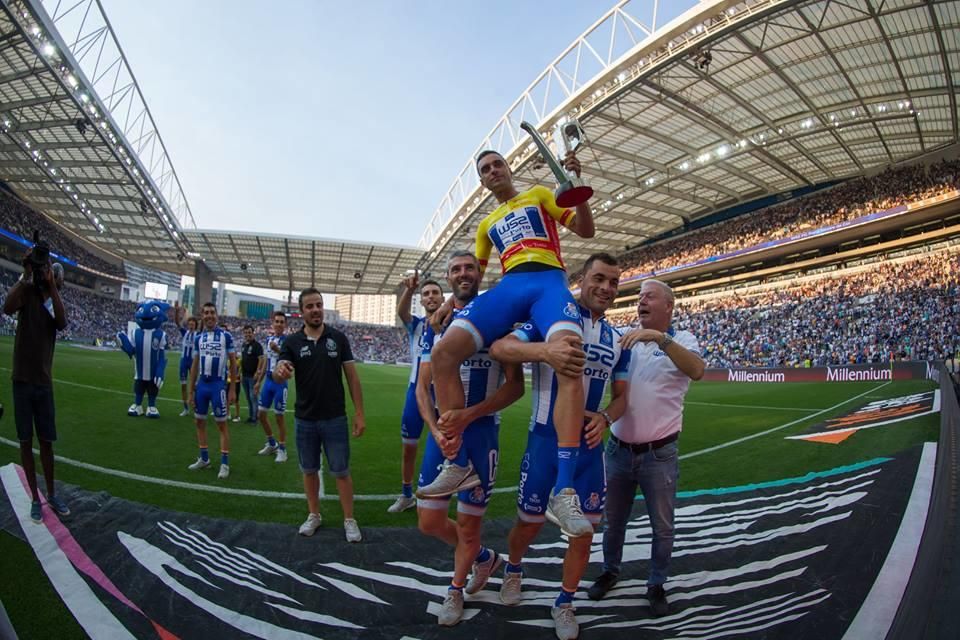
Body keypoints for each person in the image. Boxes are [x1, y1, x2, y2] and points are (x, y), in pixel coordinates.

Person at [422, 148, 596, 537]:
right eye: (485, 169)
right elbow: (473, 280)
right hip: (510, 287)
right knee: (443, 352)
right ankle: (459, 462)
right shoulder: (486, 225)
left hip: (550, 283)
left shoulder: (538, 194)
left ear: (508, 168)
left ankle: (563, 490)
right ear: (482, 181)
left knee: (569, 358)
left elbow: (586, 230)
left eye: (497, 164)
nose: (493, 171)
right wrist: (450, 304)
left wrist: (577, 188)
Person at [489, 253, 630, 639]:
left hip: (589, 452)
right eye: (599, 278)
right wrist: (543, 351)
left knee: (585, 533)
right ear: (581, 280)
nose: (605, 287)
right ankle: (513, 569)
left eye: (613, 282)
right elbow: (501, 348)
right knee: (528, 524)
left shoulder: (619, 340)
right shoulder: (551, 318)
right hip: (543, 445)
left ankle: (564, 602)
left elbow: (622, 398)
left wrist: (604, 418)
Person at [414, 251, 524, 626]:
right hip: (444, 436)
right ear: (448, 278)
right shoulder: (438, 323)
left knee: (468, 525)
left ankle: (455, 590)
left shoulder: (498, 319)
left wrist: (469, 415)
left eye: (469, 268)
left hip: (480, 435)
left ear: (481, 272)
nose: (463, 274)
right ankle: (484, 559)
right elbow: (422, 387)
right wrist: (437, 429)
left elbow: (516, 387)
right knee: (428, 521)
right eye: (456, 269)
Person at [587, 279, 704, 617]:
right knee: (614, 520)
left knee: (662, 526)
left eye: (649, 296)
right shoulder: (625, 339)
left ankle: (656, 583)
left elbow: (697, 370)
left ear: (668, 305)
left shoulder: (682, 339)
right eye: (639, 298)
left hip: (660, 454)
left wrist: (660, 339)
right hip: (618, 450)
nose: (641, 302)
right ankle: (610, 570)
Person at [273, 289, 366, 542]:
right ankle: (314, 514)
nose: (315, 310)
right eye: (310, 306)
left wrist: (359, 413)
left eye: (319, 305)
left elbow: (352, 378)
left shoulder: (339, 338)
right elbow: (278, 371)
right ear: (302, 312)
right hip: (305, 419)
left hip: (335, 418)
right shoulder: (291, 342)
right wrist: (279, 371)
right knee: (309, 470)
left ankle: (349, 519)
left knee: (341, 471)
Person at [3, 250, 68, 523]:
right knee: (25, 442)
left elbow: (62, 323)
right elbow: (7, 307)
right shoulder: (27, 292)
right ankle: (34, 498)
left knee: (47, 443)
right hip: (22, 380)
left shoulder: (52, 301)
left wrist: (52, 288)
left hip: (43, 383)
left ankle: (51, 494)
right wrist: (26, 274)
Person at [388, 273, 444, 513]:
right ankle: (406, 494)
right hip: (415, 392)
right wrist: (408, 290)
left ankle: (438, 495)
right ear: (421, 300)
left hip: (443, 393)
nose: (430, 296)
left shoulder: (455, 324)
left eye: (435, 293)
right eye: (426, 293)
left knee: (443, 446)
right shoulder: (418, 325)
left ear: (443, 298)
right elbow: (402, 314)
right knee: (408, 447)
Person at [186, 303, 238, 480]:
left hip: (218, 386)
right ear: (202, 315)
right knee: (199, 423)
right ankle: (204, 459)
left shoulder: (226, 336)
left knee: (221, 425)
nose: (209, 315)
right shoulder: (198, 338)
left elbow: (233, 363)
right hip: (202, 386)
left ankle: (224, 463)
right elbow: (194, 365)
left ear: (217, 315)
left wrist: (232, 389)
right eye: (206, 312)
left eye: (212, 312)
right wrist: (190, 391)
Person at [254, 312, 289, 462]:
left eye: (282, 322)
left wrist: (278, 350)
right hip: (268, 381)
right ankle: (272, 443)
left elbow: (290, 358)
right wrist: (258, 382)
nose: (279, 324)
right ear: (272, 324)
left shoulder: (288, 341)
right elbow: (266, 362)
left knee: (279, 417)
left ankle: (282, 449)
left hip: (280, 382)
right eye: (277, 321)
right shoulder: (268, 339)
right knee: (261, 415)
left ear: (285, 325)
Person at [174, 304, 198, 418]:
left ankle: (197, 406)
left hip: (193, 363)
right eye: (190, 324)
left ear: (195, 326)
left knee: (195, 386)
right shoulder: (185, 333)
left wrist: (202, 316)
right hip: (184, 362)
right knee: (183, 386)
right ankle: (185, 408)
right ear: (188, 325)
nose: (191, 326)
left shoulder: (198, 335)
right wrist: (176, 311)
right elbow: (177, 323)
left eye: (193, 324)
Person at [239, 324, 263, 424]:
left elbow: (261, 360)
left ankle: (255, 418)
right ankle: (251, 416)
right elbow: (242, 360)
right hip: (244, 376)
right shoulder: (244, 345)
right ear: (243, 334)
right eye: (246, 332)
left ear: (253, 333)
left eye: (249, 332)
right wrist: (240, 373)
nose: (247, 334)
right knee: (248, 397)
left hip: (252, 376)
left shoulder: (257, 346)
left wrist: (257, 372)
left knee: (253, 397)